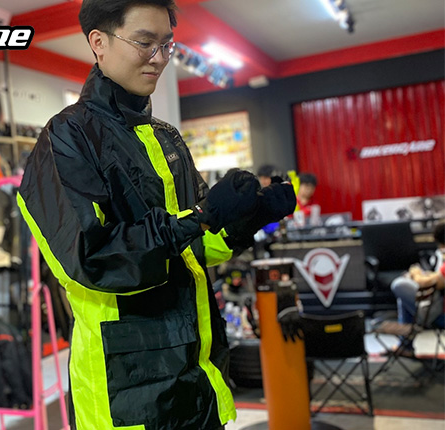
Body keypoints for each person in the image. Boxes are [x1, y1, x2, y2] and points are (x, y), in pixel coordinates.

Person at [16, 1, 296, 428]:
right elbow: (93, 261)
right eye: (145, 43)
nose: (160, 58)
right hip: (126, 389)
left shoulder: (166, 136)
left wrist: (248, 217)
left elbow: (196, 251)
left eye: (167, 44)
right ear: (98, 42)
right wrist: (198, 217)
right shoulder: (66, 137)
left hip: (197, 375)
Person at [389, 221, 445, 353]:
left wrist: (416, 274)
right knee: (403, 297)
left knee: (399, 285)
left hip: (440, 314)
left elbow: (433, 282)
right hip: (437, 306)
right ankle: (406, 345)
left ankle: (406, 344)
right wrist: (421, 275)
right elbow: (436, 277)